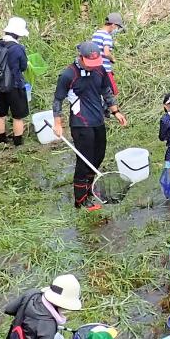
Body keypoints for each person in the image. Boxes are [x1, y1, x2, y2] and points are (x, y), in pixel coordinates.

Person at [53, 40, 126, 211]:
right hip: (80, 123)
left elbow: (106, 91)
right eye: (90, 63)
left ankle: (90, 190)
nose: (93, 66)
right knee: (84, 161)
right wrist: (58, 123)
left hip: (98, 120)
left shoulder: (100, 69)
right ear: (81, 58)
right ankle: (80, 200)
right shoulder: (68, 75)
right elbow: (58, 100)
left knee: (97, 157)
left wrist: (116, 112)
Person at [0, 18, 33, 145]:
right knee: (17, 116)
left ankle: (1, 139)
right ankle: (18, 142)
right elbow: (23, 67)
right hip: (14, 86)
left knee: (1, 114)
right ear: (18, 34)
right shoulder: (17, 49)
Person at [88, 12, 125, 88]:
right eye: (117, 27)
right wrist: (113, 59)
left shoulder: (96, 34)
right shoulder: (107, 36)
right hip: (105, 70)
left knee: (98, 91)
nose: (117, 30)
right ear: (113, 25)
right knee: (111, 92)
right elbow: (106, 53)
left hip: (94, 68)